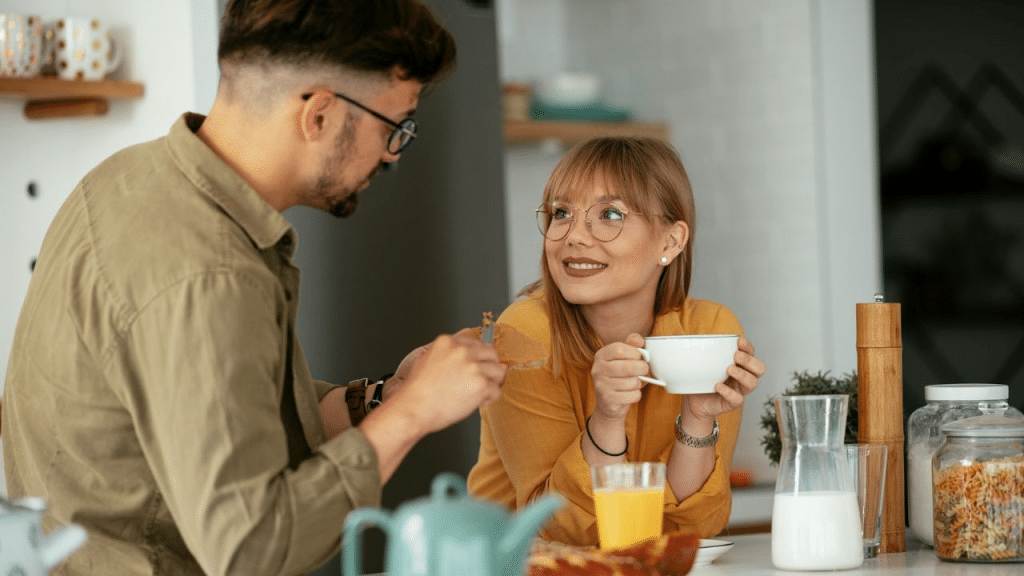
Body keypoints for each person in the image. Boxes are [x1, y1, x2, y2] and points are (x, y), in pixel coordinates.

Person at [1, 1, 506, 574]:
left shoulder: (130, 179)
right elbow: (249, 550)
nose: (391, 157)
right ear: (318, 115)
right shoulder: (208, 273)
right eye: (394, 129)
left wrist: (385, 396)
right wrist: (414, 413)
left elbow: (229, 413)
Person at [467, 137, 767, 546]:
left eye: (609, 214)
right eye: (561, 213)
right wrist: (607, 419)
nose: (573, 236)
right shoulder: (522, 335)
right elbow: (555, 527)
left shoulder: (708, 329)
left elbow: (691, 529)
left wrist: (697, 418)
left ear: (671, 241)